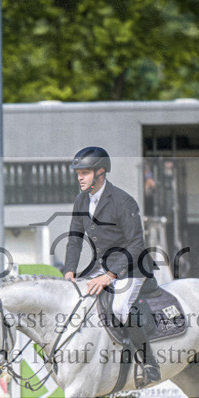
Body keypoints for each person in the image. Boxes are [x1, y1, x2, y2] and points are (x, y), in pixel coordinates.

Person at [62, 146, 160, 385]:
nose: (79, 177)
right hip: (100, 265)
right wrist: (69, 270)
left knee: (119, 308)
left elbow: (137, 244)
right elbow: (75, 238)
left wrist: (109, 275)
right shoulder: (81, 200)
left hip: (133, 266)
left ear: (101, 172)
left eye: (84, 172)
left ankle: (149, 363)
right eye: (78, 173)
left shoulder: (123, 201)